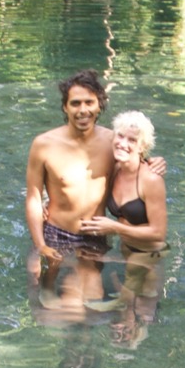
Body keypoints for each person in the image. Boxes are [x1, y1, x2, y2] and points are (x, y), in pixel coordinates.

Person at [25, 70, 163, 307]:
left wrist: (155, 161)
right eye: (75, 103)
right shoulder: (44, 145)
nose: (83, 110)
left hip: (95, 236)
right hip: (56, 234)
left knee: (91, 302)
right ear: (65, 107)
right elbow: (33, 197)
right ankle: (46, 291)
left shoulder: (114, 142)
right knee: (43, 295)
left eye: (89, 102)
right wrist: (40, 246)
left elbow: (134, 166)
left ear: (100, 105)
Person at [78, 111, 168, 346]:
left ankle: (137, 344)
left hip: (150, 256)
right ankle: (123, 339)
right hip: (127, 251)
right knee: (125, 307)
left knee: (145, 311)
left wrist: (114, 227)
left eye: (132, 140)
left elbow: (159, 233)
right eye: (120, 136)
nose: (123, 143)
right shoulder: (115, 169)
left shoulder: (151, 179)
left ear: (142, 147)